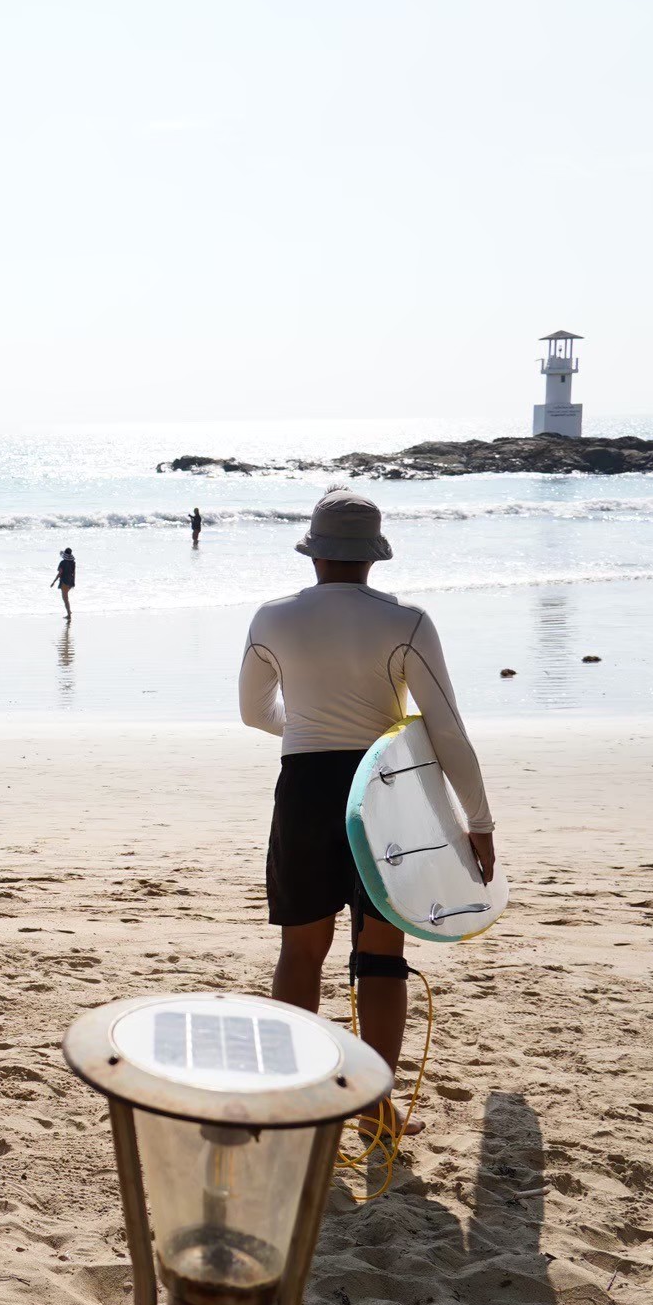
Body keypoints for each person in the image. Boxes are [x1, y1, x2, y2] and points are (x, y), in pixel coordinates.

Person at [238, 487, 494, 1140]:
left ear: (315, 552)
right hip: (385, 793)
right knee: (381, 954)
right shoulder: (407, 621)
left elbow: (251, 712)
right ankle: (375, 1108)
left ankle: (291, 1097)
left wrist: (304, 733)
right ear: (372, 557)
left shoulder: (272, 619)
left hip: (303, 789)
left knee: (301, 950)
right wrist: (480, 822)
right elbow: (447, 730)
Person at [49, 546, 76, 617]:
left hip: (64, 582)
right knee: (66, 598)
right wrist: (73, 582)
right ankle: (69, 611)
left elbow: (60, 573)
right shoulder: (73, 562)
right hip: (70, 582)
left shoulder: (62, 563)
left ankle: (69, 614)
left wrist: (54, 582)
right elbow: (74, 573)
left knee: (65, 599)